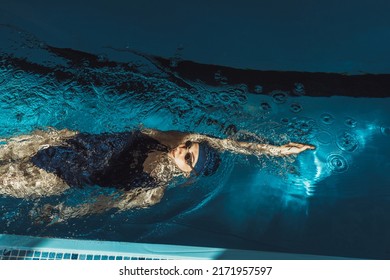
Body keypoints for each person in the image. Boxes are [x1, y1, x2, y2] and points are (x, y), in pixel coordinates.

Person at [0, 127, 315, 223]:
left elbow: (104, 204)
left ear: (189, 175)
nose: (182, 149)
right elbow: (224, 142)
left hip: (58, 176)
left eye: (188, 157)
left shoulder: (153, 191)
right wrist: (273, 150)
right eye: (189, 145)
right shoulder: (171, 138)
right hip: (66, 140)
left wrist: (62, 213)